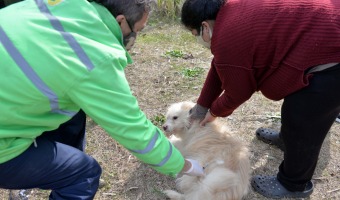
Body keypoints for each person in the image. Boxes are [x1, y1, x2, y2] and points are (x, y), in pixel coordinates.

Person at [0, 0, 205, 199]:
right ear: (120, 21)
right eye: (137, 30)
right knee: (84, 174)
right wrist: (184, 165)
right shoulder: (94, 57)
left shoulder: (56, 5)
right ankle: (65, 172)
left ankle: (59, 164)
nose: (135, 37)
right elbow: (134, 131)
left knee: (73, 110)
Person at [182, 0, 340, 199]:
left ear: (204, 26)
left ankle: (293, 184)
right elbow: (220, 66)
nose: (197, 39)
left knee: (304, 120)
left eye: (195, 34)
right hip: (323, 36)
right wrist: (201, 106)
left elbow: (237, 93)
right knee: (296, 112)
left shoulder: (227, 36)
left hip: (332, 54)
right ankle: (287, 140)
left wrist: (213, 113)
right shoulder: (230, 13)